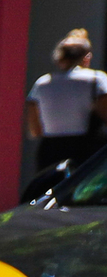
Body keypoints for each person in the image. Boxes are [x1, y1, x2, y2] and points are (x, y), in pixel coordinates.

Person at [26, 28, 107, 178]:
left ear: (59, 58)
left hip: (49, 151)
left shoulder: (41, 84)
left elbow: (35, 130)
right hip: (86, 151)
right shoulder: (97, 80)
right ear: (86, 57)